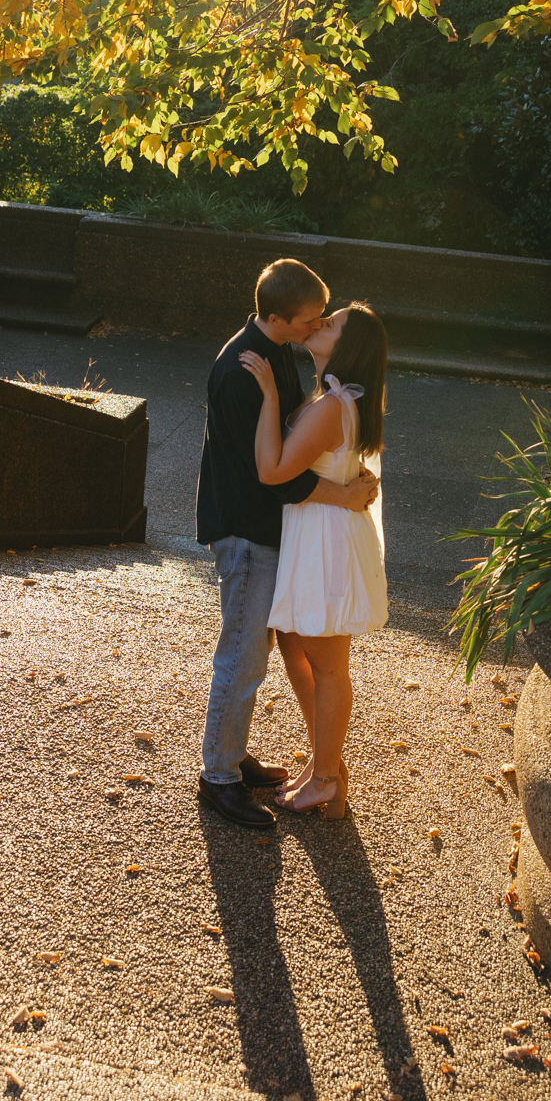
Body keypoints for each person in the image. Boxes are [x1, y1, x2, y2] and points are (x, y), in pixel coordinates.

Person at [196, 258, 380, 831]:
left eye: (326, 320)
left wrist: (347, 488)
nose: (317, 324)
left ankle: (242, 759)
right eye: (312, 319)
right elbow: (266, 471)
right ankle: (219, 777)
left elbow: (289, 451)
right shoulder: (242, 369)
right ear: (278, 318)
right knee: (246, 655)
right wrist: (344, 492)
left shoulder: (280, 353)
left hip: (286, 532)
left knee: (281, 653)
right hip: (249, 529)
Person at [239, 302, 389, 820]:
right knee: (296, 649)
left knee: (327, 667)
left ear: (351, 347)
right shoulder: (333, 399)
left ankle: (327, 776)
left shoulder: (332, 405)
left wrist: (269, 397)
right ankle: (325, 763)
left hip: (323, 542)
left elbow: (275, 469)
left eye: (335, 322)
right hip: (314, 533)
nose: (323, 322)